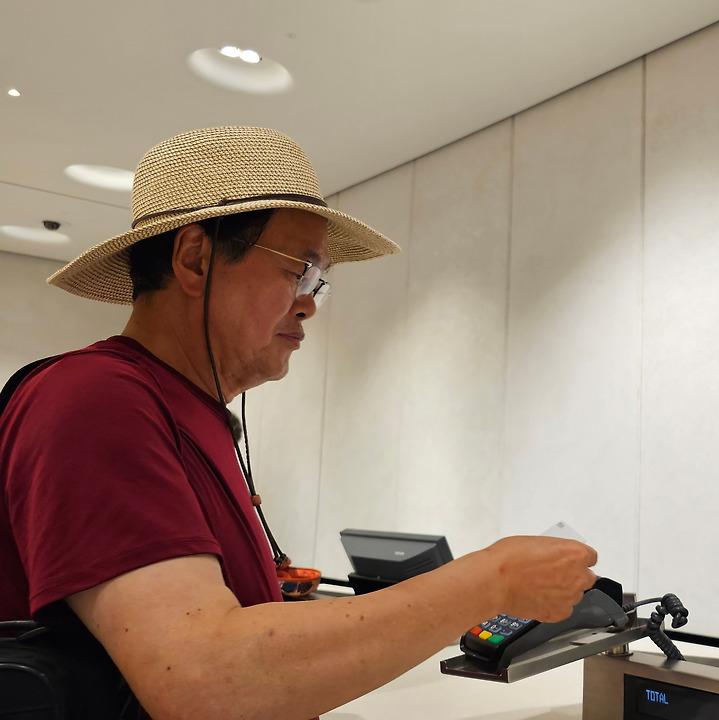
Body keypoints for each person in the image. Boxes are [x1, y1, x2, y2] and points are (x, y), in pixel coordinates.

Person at [0, 126, 599, 718]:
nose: (310, 304)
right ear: (195, 260)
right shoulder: (95, 398)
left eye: (319, 283)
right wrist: (490, 582)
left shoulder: (189, 412)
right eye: (300, 272)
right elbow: (204, 681)